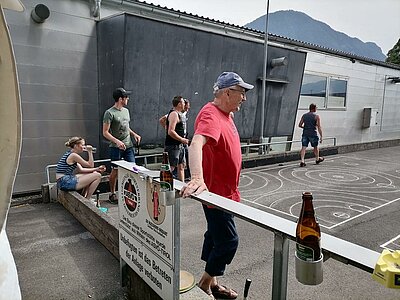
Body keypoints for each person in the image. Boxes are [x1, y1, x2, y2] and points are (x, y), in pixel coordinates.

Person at [180, 71, 254, 300]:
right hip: (216, 195)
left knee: (214, 235)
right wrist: (197, 178)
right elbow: (196, 143)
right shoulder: (211, 114)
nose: (244, 98)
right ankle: (204, 284)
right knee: (228, 241)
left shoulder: (226, 115)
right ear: (228, 92)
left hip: (226, 194)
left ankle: (214, 283)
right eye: (241, 93)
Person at [103, 87, 141, 204]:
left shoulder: (126, 111)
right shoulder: (109, 113)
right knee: (115, 170)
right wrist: (117, 142)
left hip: (128, 145)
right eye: (126, 97)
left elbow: (126, 126)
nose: (128, 99)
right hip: (116, 147)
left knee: (133, 168)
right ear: (121, 99)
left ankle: (130, 193)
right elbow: (105, 132)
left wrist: (134, 134)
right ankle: (112, 193)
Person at [164, 95, 189, 181]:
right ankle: (166, 184)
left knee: (181, 165)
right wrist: (182, 139)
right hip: (173, 145)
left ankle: (181, 186)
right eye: (182, 102)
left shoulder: (180, 114)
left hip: (180, 145)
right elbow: (171, 131)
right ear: (178, 104)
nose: (184, 104)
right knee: (171, 167)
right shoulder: (174, 114)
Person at [298, 103, 324, 167]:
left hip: (305, 133)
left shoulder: (304, 115)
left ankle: (302, 161)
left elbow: (300, 125)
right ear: (314, 108)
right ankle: (317, 159)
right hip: (313, 133)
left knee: (304, 147)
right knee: (315, 147)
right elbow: (319, 127)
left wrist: (305, 127)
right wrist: (321, 136)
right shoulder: (316, 116)